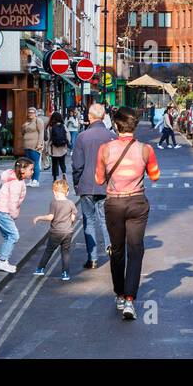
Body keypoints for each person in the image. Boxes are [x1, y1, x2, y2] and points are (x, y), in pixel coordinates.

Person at [95, 108, 161, 321]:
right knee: (136, 249)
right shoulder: (145, 149)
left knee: (117, 250)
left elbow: (98, 180)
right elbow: (155, 176)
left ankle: (120, 294)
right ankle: (131, 299)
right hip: (137, 202)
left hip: (114, 203)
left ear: (116, 126)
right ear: (135, 126)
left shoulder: (105, 149)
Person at [71, 102, 115, 270]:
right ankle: (111, 251)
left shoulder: (82, 137)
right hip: (106, 185)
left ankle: (93, 259)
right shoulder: (112, 136)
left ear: (89, 117)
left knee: (89, 221)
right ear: (103, 116)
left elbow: (77, 165)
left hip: (87, 185)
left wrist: (77, 183)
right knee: (105, 220)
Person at [0, 157, 34, 273]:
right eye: (31, 169)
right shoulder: (17, 182)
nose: (33, 172)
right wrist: (14, 214)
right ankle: (1, 261)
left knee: (8, 236)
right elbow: (13, 201)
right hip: (4, 211)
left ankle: (3, 261)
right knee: (14, 235)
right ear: (22, 170)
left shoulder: (14, 178)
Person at [32, 178, 79, 281]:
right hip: (68, 232)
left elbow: (50, 217)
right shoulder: (71, 203)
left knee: (49, 251)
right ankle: (65, 273)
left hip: (56, 232)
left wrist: (39, 217)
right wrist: (70, 222)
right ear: (67, 192)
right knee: (65, 252)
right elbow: (73, 217)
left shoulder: (54, 203)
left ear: (54, 192)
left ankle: (40, 269)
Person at [22, 107, 44, 187]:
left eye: (32, 112)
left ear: (35, 113)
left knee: (35, 163)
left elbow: (41, 132)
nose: (30, 114)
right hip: (27, 146)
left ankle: (35, 180)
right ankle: (31, 179)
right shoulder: (27, 122)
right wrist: (24, 126)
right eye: (29, 112)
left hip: (34, 146)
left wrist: (39, 144)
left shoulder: (38, 121)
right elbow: (22, 132)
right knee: (29, 164)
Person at [47, 111, 71, 182]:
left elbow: (48, 138)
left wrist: (47, 148)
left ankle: (55, 178)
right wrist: (67, 143)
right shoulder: (63, 126)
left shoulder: (51, 126)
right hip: (62, 147)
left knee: (54, 163)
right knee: (62, 162)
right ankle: (64, 173)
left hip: (54, 147)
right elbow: (68, 135)